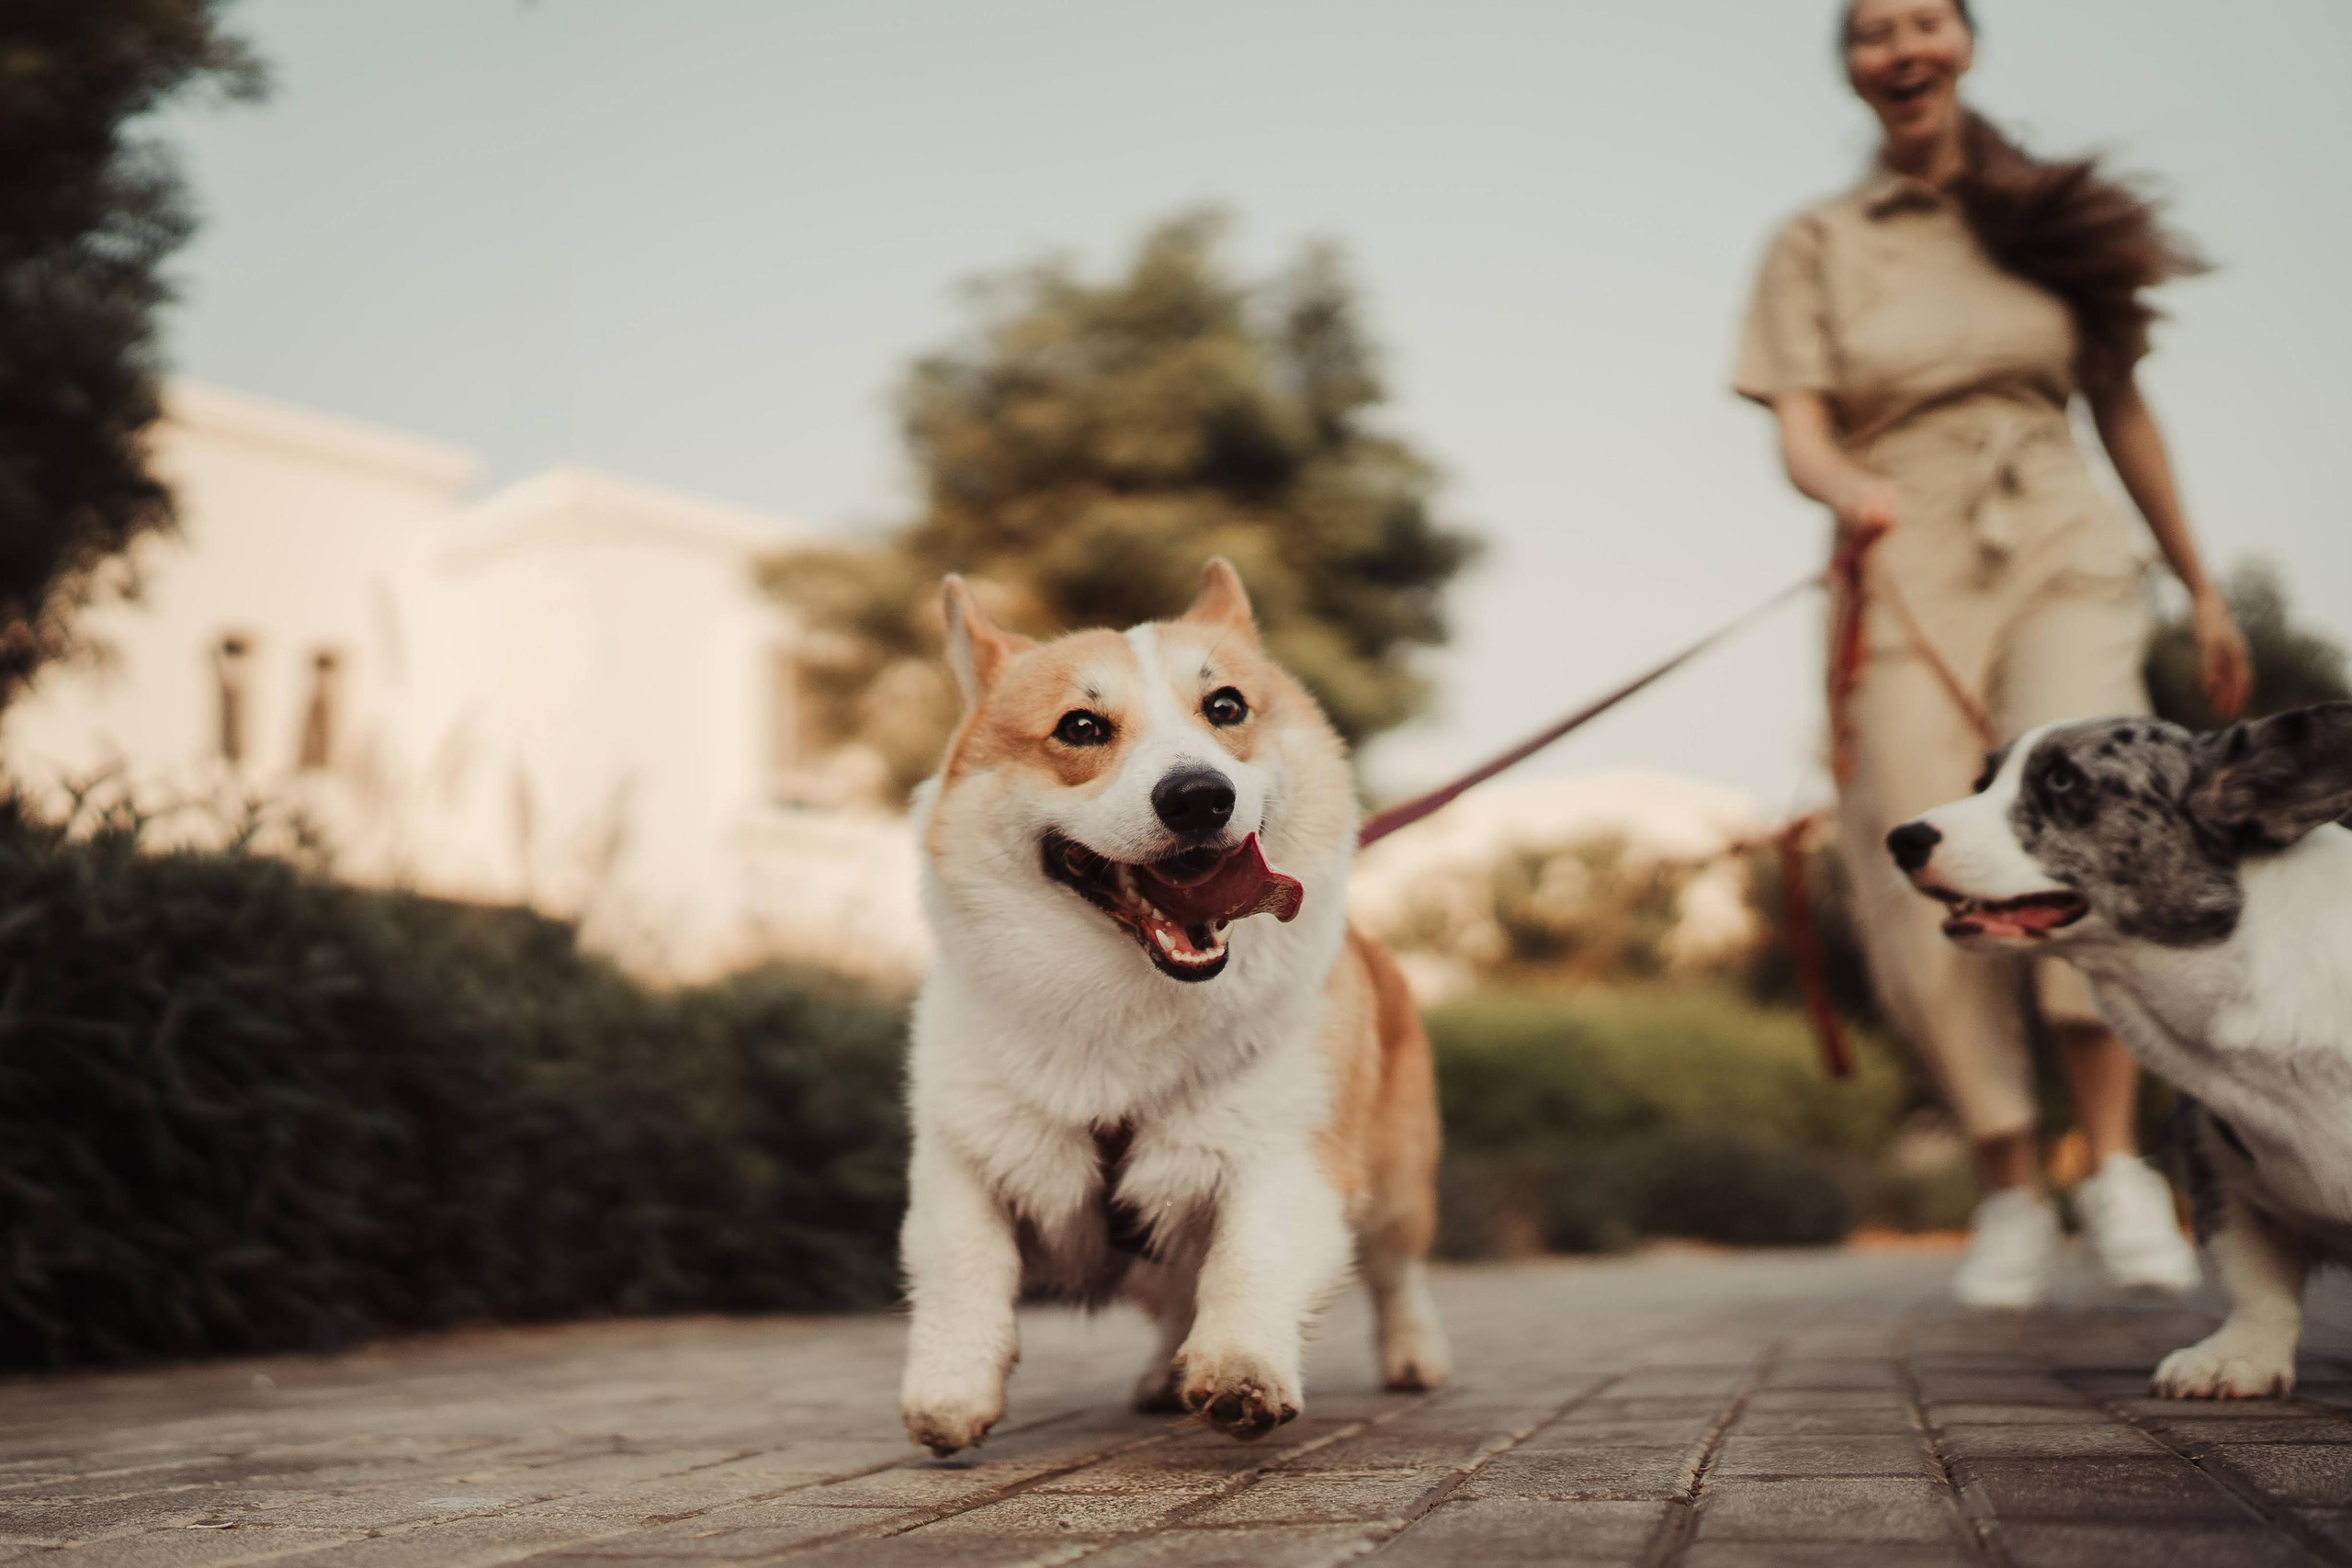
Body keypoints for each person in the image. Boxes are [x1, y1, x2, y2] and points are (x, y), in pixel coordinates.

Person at [1736, 0, 2253, 1307]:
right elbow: (1798, 429)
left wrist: (2203, 587)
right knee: (1914, 844)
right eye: (1871, 32)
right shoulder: (1816, 242)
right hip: (1902, 543)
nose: (1900, 49)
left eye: (1924, 22)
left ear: (1966, 42)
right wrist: (1847, 487)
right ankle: (2011, 1183)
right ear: (1853, 70)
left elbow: (2123, 410)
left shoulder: (2054, 217)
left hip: (2062, 539)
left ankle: (2119, 1166)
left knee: (2094, 805)